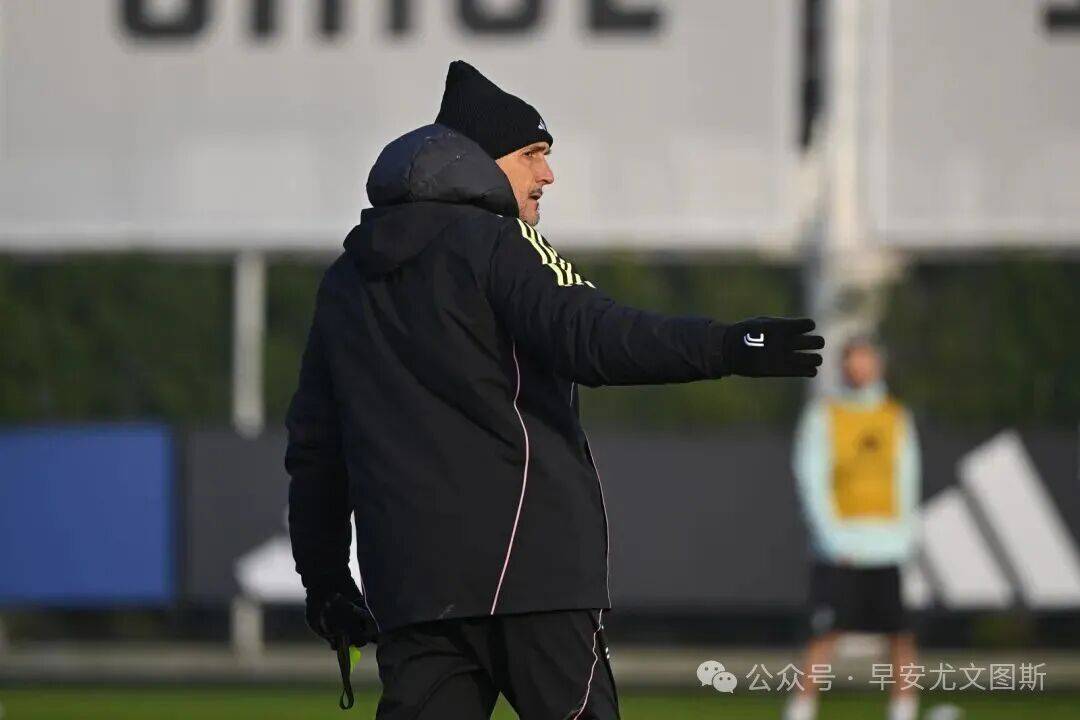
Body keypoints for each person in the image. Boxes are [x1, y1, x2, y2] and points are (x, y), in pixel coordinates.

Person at [286, 60, 824, 720]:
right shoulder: (498, 243)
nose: (548, 174)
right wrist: (727, 346)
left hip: (413, 590)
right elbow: (593, 335)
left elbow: (317, 449)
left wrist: (325, 582)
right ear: (476, 162)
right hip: (531, 578)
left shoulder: (346, 279)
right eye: (531, 154)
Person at [786, 337, 921, 720]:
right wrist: (830, 538)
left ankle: (904, 709)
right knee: (823, 635)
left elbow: (907, 478)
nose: (859, 369)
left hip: (888, 547)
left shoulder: (896, 416)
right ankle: (800, 709)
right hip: (840, 548)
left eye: (865, 360)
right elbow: (810, 478)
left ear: (878, 365)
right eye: (852, 361)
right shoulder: (823, 416)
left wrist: (906, 536)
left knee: (899, 635)